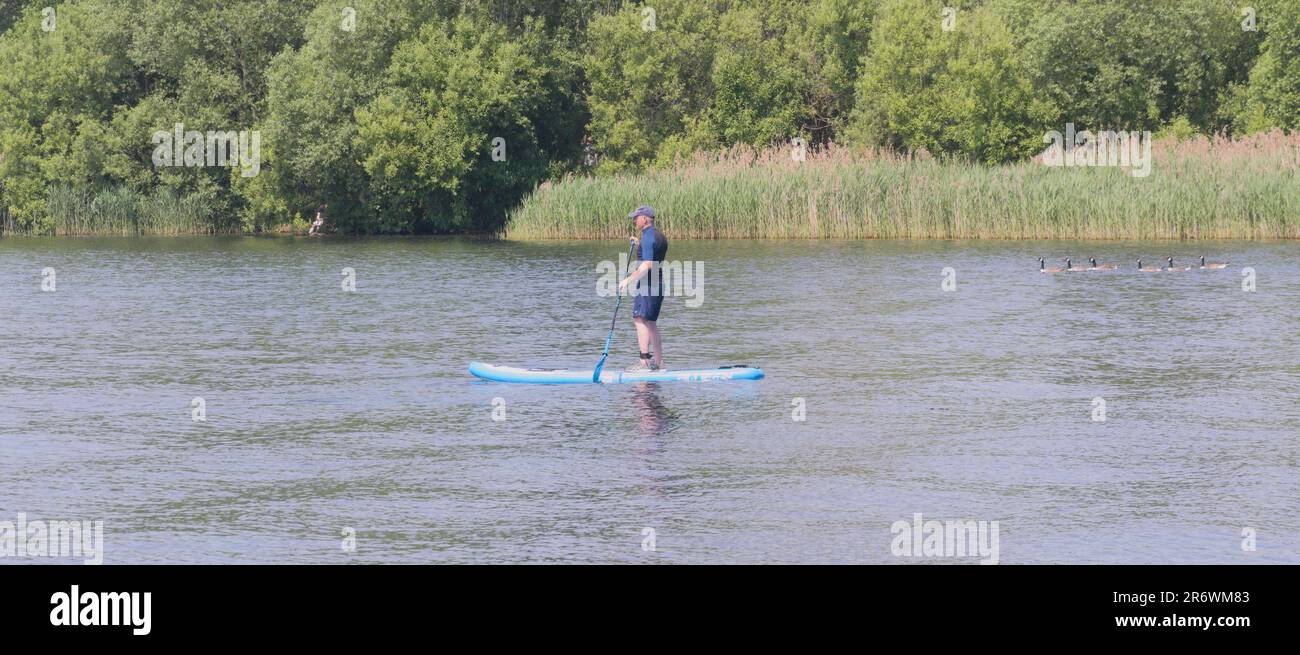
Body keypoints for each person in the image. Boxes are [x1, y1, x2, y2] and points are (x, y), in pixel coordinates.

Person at [618, 205, 668, 371]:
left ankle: (644, 363)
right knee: (651, 322)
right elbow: (652, 256)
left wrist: (627, 281)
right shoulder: (658, 235)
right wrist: (639, 245)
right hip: (658, 281)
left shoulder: (648, 238)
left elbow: (646, 265)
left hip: (647, 283)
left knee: (639, 319)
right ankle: (659, 363)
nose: (634, 220)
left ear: (645, 218)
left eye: (637, 217)